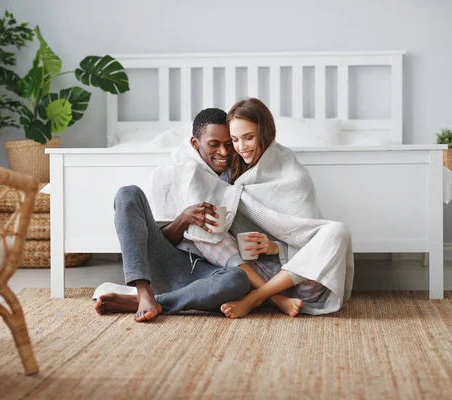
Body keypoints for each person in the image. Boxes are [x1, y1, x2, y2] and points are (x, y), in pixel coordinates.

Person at [95, 108, 251, 322]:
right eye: (214, 144)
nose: (223, 152)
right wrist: (184, 219)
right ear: (196, 144)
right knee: (127, 193)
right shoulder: (174, 174)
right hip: (166, 262)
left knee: (238, 279)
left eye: (228, 143)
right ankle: (143, 291)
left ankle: (156, 302)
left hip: (205, 276)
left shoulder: (241, 176)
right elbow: (156, 240)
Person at [218, 98, 352, 318]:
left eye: (249, 138)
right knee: (211, 237)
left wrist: (274, 247)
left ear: (265, 132)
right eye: (235, 139)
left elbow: (308, 236)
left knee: (338, 231)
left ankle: (256, 298)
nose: (241, 147)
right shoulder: (230, 172)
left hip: (300, 279)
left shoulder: (292, 173)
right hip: (254, 272)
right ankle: (275, 298)